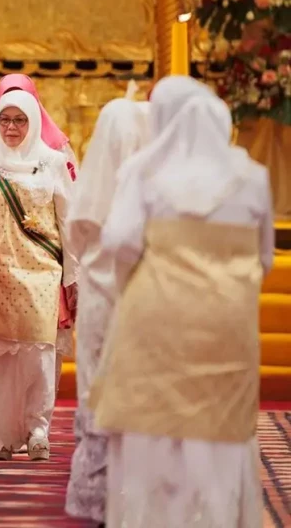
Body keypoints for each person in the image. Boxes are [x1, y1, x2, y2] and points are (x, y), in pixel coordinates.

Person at [90, 77, 275, 528]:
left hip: (154, 318)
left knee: (150, 435)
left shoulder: (145, 171)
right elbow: (264, 257)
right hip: (226, 322)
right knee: (221, 432)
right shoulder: (253, 177)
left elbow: (119, 242)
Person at [0, 91, 77, 461]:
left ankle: (38, 429)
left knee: (39, 353)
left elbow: (67, 220)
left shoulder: (53, 162)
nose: (11, 128)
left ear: (34, 121)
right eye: (5, 120)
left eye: (20, 120)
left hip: (42, 269)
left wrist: (72, 275)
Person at [65, 96, 151, 524]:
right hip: (141, 295)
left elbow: (76, 236)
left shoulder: (97, 179)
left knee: (96, 382)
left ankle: (99, 493)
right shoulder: (153, 179)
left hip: (100, 295)